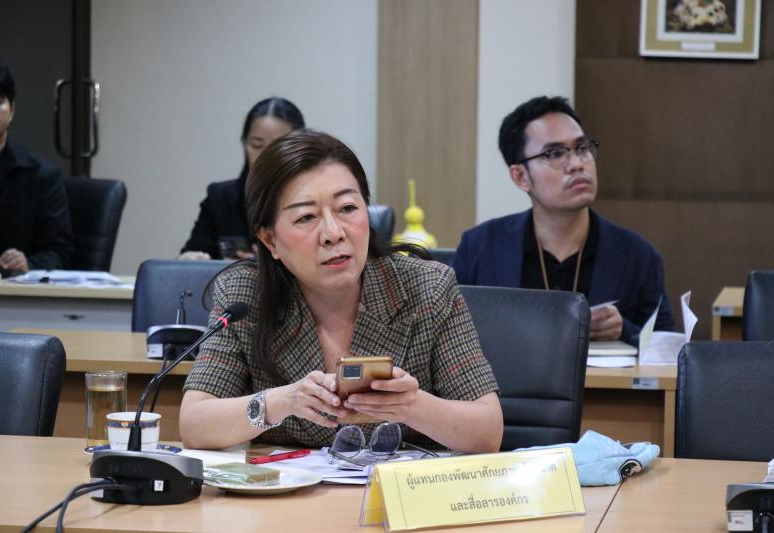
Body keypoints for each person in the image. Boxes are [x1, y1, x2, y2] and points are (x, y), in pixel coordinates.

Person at [180, 130, 502, 453]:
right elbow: (194, 424)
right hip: (287, 486)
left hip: (398, 484)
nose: (333, 233)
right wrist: (283, 401)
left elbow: (488, 431)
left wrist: (412, 405)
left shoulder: (427, 288)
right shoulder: (246, 295)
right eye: (306, 217)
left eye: (347, 208)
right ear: (270, 240)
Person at [452, 96, 674, 344]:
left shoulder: (638, 255)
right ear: (521, 177)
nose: (577, 164)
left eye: (582, 149)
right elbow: (449, 339)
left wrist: (624, 330)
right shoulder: (479, 248)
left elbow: (668, 349)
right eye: (555, 153)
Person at [0, 58, 73, 272]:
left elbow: (60, 250)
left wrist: (29, 263)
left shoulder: (41, 176)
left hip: (16, 286)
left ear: (12, 110)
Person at [179, 97, 304, 260]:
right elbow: (193, 254)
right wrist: (190, 260)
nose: (265, 155)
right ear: (244, 143)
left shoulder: (313, 199)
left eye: (277, 146)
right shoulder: (220, 198)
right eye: (257, 145)